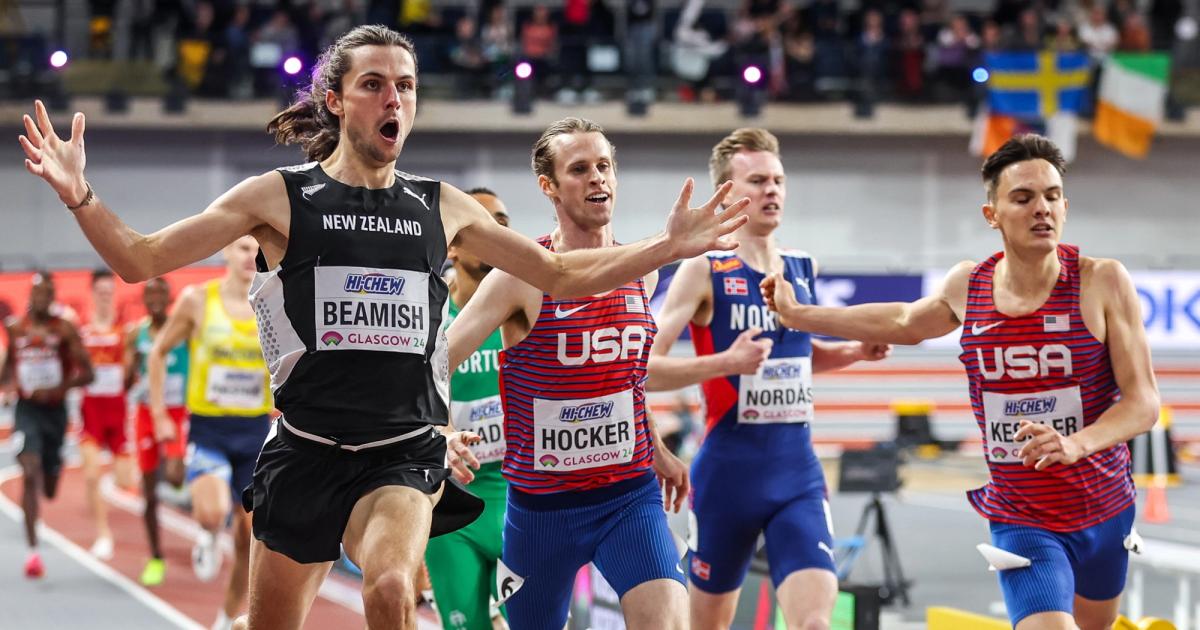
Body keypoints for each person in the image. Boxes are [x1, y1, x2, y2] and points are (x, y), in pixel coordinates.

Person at [18, 24, 746, 630]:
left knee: (392, 589)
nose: (394, 97)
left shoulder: (442, 205)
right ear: (335, 101)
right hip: (305, 453)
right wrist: (81, 194)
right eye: (374, 84)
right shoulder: (280, 198)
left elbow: (558, 276)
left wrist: (667, 246)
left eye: (406, 86)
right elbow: (140, 260)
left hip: (402, 455)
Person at [762, 134, 1160, 630]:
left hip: (1104, 507)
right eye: (1023, 198)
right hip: (1022, 514)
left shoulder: (1101, 281)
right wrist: (799, 314)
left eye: (1053, 196)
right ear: (992, 214)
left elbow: (1144, 403)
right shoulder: (969, 286)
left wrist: (1076, 443)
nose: (1043, 209)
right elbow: (904, 320)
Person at [448, 117, 733, 630]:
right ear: (549, 186)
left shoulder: (644, 269)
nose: (598, 177)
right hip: (541, 513)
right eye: (579, 169)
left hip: (628, 498)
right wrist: (438, 430)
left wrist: (659, 450)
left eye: (604, 166)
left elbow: (626, 379)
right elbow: (435, 362)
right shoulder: (518, 277)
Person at [648, 127, 890, 630]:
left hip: (797, 474)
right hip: (726, 478)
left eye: (778, 180)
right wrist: (722, 364)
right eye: (757, 180)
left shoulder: (803, 267)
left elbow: (798, 356)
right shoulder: (704, 270)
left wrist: (853, 350)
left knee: (815, 623)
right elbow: (643, 369)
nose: (772, 190)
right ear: (726, 194)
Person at [147, 236, 273, 629]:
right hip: (210, 428)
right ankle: (205, 533)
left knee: (250, 538)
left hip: (255, 431)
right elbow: (158, 352)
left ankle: (225, 615)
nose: (251, 257)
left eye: (258, 250)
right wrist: (158, 414)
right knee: (212, 511)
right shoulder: (198, 301)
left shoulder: (274, 304)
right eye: (242, 248)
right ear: (225, 252)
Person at [424, 187, 511, 630]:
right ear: (453, 245)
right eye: (482, 222)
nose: (496, 232)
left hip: (522, 499)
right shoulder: (427, 311)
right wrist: (445, 433)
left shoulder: (529, 305)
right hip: (455, 502)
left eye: (502, 222)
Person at [0, 271, 94, 578]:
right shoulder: (16, 328)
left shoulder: (64, 328)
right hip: (26, 410)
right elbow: (9, 366)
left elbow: (88, 373)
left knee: (50, 487)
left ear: (53, 297)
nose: (40, 299)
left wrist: (57, 390)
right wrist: (7, 386)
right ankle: (32, 552)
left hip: (55, 412)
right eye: (36, 293)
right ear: (30, 295)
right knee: (28, 472)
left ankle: (53, 469)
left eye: (46, 294)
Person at [126, 276, 190, 587]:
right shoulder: (135, 334)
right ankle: (155, 556)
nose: (155, 299)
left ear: (169, 298)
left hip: (178, 413)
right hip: (146, 415)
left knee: (176, 477)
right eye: (149, 293)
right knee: (149, 493)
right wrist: (134, 365)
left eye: (160, 293)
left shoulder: (184, 331)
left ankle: (178, 469)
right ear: (143, 299)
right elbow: (125, 382)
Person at [79, 267, 138, 561]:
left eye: (109, 293)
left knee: (125, 480)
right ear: (92, 294)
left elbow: (130, 374)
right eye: (100, 293)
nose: (105, 298)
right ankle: (103, 534)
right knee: (91, 475)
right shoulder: (81, 333)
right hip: (91, 414)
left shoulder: (124, 333)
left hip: (117, 414)